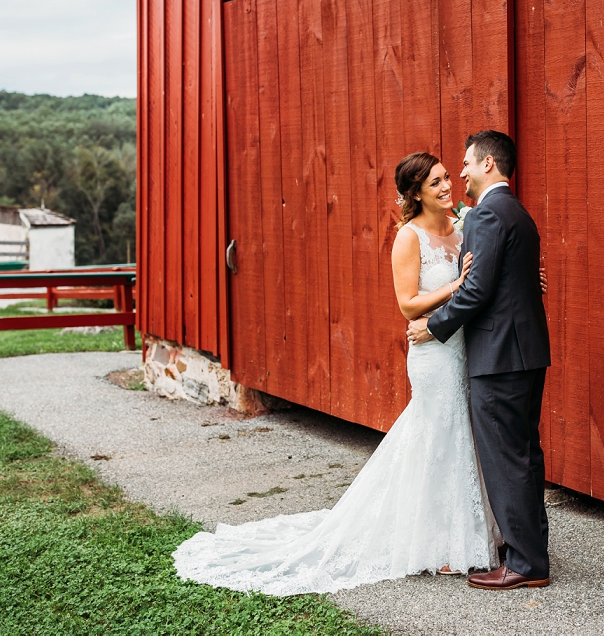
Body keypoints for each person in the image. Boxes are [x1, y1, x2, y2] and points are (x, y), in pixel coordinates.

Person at [171, 152, 503, 596]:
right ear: (415, 193)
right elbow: (406, 304)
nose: (447, 187)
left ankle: (472, 533)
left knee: (464, 434)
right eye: (435, 183)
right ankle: (437, 541)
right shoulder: (408, 237)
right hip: (432, 354)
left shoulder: (462, 227)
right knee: (438, 437)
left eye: (446, 178)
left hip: (464, 348)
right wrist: (454, 286)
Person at [407, 130, 552, 590]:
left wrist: (432, 326)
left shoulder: (489, 213)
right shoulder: (518, 212)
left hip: (499, 357)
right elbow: (514, 281)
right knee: (526, 454)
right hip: (527, 352)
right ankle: (528, 551)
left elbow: (478, 290)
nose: (461, 173)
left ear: (488, 164)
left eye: (466, 164)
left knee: (507, 458)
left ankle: (526, 564)